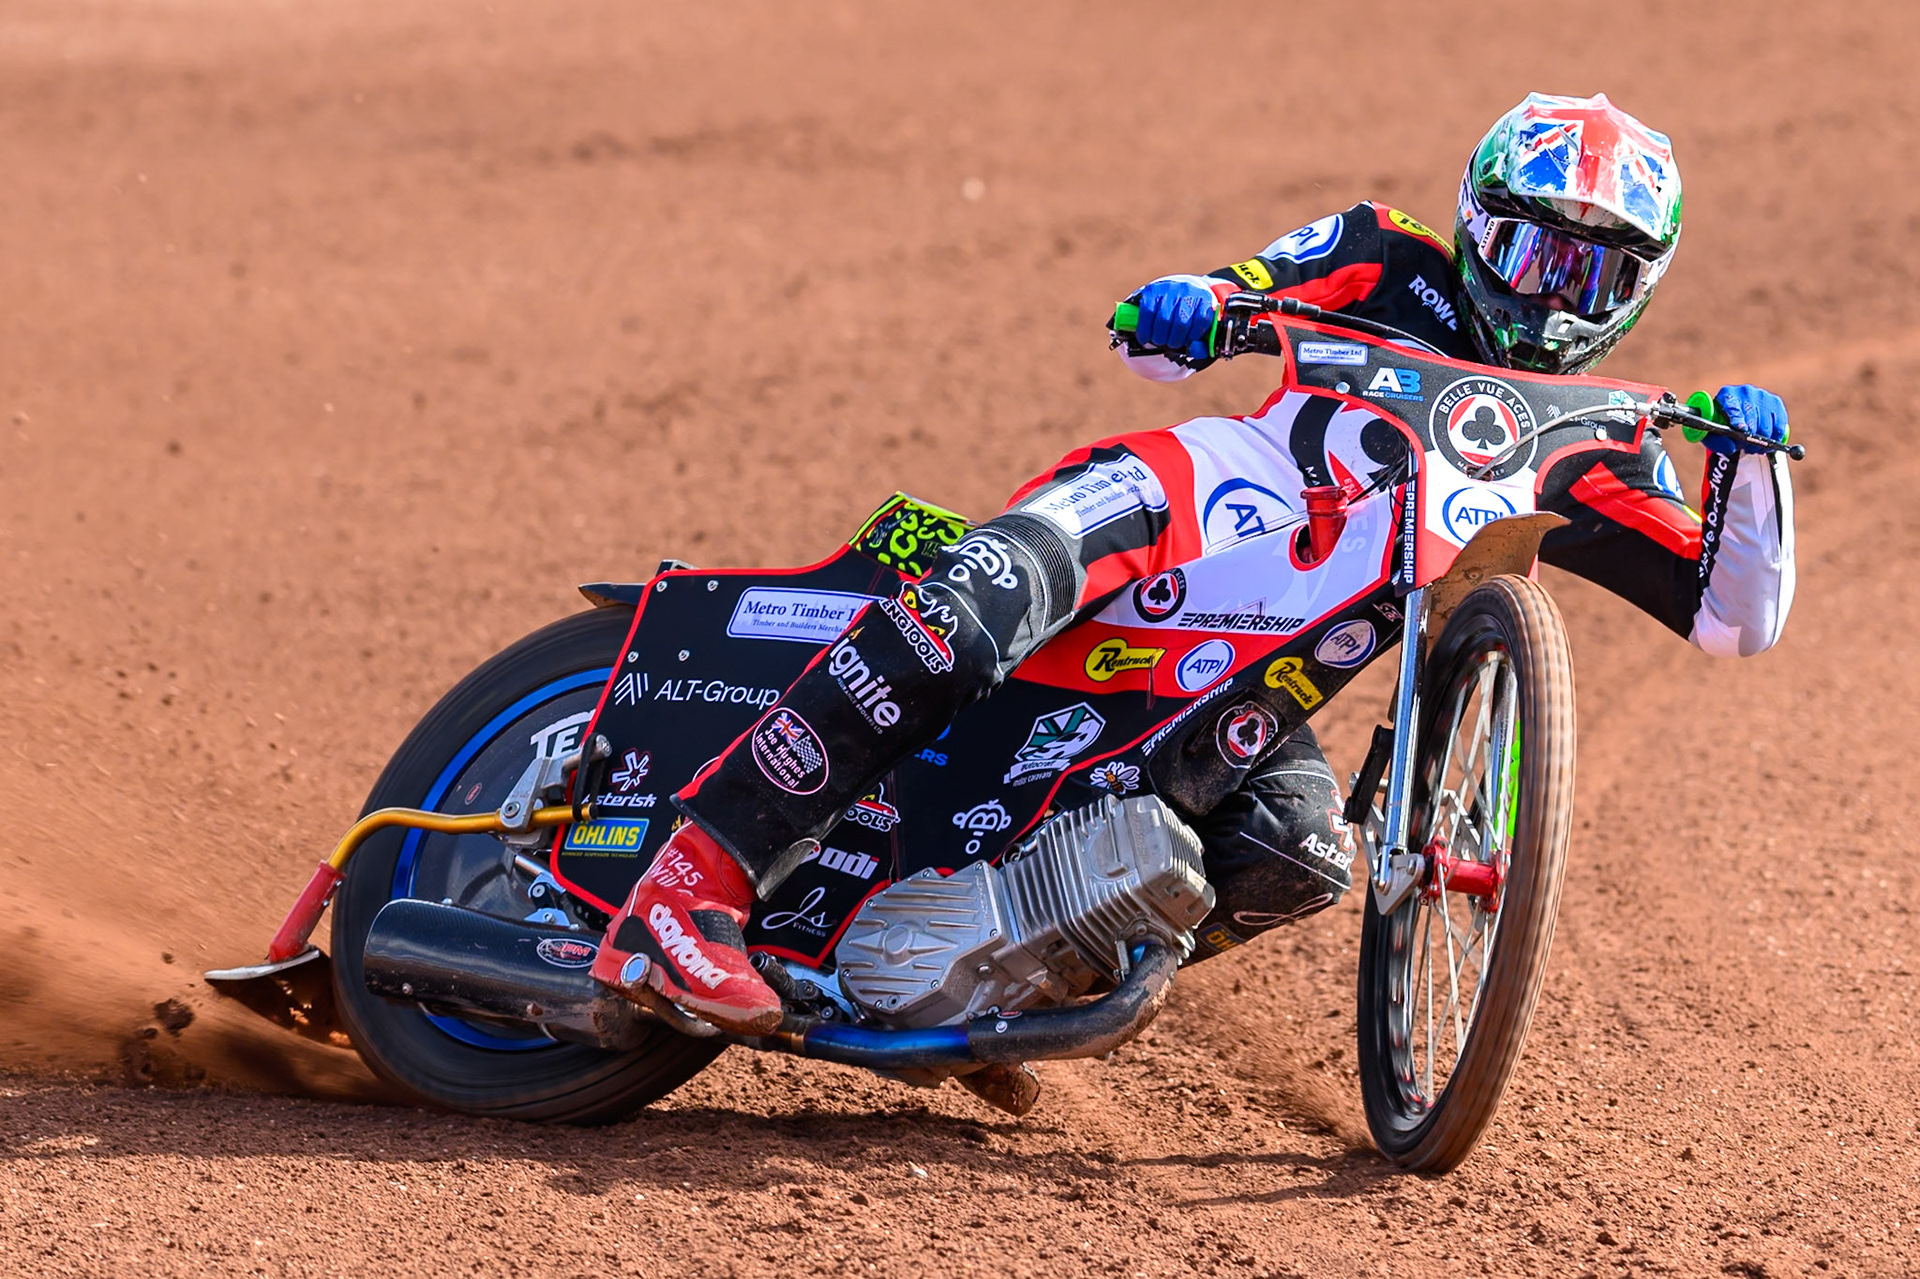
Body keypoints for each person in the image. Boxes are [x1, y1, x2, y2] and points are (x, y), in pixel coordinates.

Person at [589, 91, 1797, 1035]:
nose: (1552, 296)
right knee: (973, 611)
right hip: (1193, 500)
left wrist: (1757, 468)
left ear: (1641, 288)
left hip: (1266, 665)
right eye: (1536, 253)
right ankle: (688, 886)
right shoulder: (1388, 257)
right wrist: (1197, 303)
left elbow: (1734, 617)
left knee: (1297, 853)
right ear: (1480, 227)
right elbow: (1224, 304)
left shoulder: (1587, 442)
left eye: (1592, 272)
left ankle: (1015, 976)